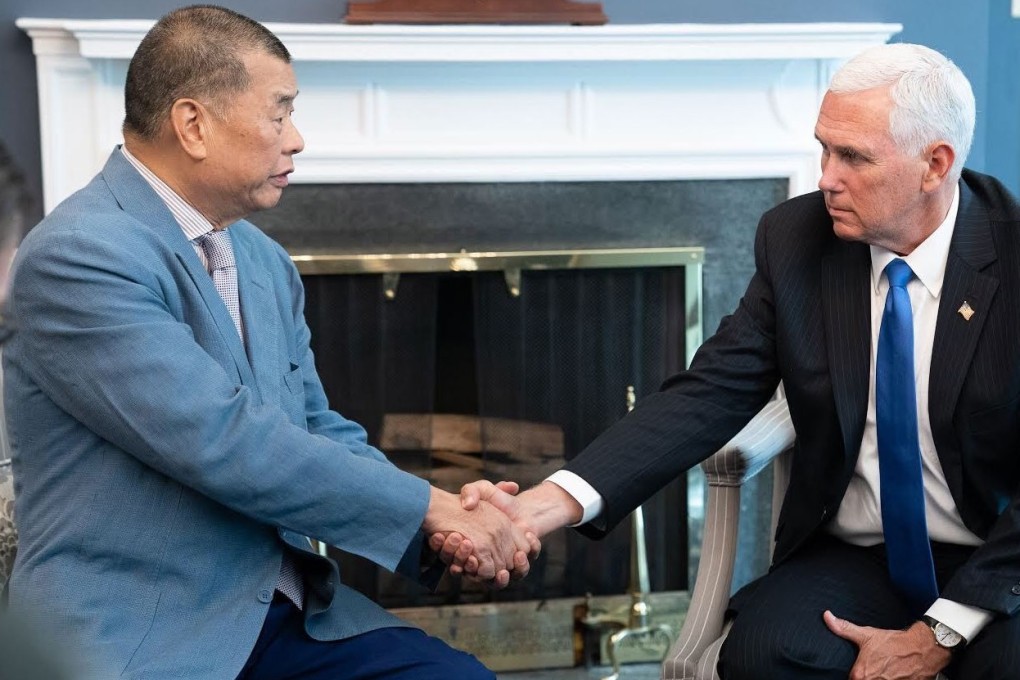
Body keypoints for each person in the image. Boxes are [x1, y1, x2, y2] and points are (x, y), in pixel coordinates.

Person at [446, 43, 1020, 679]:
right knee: (764, 655)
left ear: (934, 164)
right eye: (823, 148)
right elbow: (710, 390)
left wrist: (939, 633)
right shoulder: (799, 239)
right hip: (860, 554)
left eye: (852, 157)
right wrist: (539, 508)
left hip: (999, 557)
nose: (825, 177)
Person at [2, 6, 537, 679]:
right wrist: (430, 509)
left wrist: (446, 520)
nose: (298, 139)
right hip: (139, 632)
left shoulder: (260, 260)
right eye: (279, 113)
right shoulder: (78, 257)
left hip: (285, 614)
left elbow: (317, 427)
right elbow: (222, 440)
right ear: (193, 124)